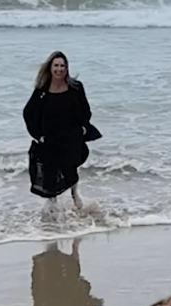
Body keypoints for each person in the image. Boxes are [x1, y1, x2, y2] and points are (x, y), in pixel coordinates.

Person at [23, 51, 102, 211]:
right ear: (50, 68)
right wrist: (38, 135)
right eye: (56, 66)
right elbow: (28, 113)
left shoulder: (76, 87)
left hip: (70, 134)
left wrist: (83, 128)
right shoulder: (42, 90)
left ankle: (75, 194)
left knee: (70, 168)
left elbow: (85, 110)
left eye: (62, 66)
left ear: (67, 68)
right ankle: (52, 205)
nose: (59, 69)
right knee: (50, 171)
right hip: (50, 137)